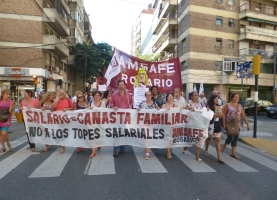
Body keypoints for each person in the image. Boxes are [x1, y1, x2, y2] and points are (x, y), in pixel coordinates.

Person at [221, 93, 250, 159]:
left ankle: (233, 153)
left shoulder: (239, 106)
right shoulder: (227, 105)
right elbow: (224, 115)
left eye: (238, 97)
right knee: (231, 137)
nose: (236, 98)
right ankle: (224, 145)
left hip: (238, 124)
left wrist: (247, 124)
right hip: (229, 124)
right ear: (232, 98)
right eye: (235, 97)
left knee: (236, 138)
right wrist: (224, 124)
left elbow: (243, 115)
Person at [110, 80, 133, 157]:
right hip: (117, 118)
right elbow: (111, 105)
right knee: (117, 133)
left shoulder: (129, 95)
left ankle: (122, 147)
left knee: (123, 133)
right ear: (117, 86)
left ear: (125, 86)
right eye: (119, 85)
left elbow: (132, 103)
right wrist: (114, 107)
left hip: (125, 118)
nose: (121, 86)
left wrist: (131, 106)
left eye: (122, 85)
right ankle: (116, 149)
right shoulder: (114, 95)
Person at [137, 91, 160, 160]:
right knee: (147, 136)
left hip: (153, 123)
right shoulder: (142, 103)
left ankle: (148, 147)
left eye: (150, 95)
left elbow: (157, 109)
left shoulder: (154, 103)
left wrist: (158, 109)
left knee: (151, 136)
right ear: (145, 96)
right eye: (147, 95)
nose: (148, 96)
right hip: (145, 123)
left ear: (151, 96)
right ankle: (147, 152)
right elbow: (138, 110)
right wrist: (138, 109)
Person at [182, 91, 204, 162]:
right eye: (195, 95)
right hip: (191, 124)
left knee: (199, 139)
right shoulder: (189, 104)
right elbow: (184, 110)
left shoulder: (200, 104)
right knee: (190, 138)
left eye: (197, 95)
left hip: (199, 124)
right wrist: (189, 109)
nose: (197, 96)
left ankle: (197, 156)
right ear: (192, 97)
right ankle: (185, 148)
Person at [52, 89, 74, 154]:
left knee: (63, 132)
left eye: (62, 93)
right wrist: (58, 99)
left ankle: (63, 147)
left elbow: (72, 108)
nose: (61, 94)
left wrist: (67, 109)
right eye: (60, 93)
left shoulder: (68, 100)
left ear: (65, 93)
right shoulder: (56, 100)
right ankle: (60, 143)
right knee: (57, 132)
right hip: (57, 119)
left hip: (65, 119)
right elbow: (53, 107)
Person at [204, 95, 225, 164]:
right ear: (212, 99)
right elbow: (210, 115)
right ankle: (206, 149)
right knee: (209, 138)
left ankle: (219, 157)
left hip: (217, 125)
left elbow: (221, 116)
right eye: (215, 99)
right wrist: (216, 114)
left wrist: (220, 113)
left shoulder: (219, 106)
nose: (216, 100)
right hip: (210, 124)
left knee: (217, 140)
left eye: (217, 99)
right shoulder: (208, 106)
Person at [89, 91, 106, 158]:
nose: (97, 97)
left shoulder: (103, 103)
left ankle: (98, 143)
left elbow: (104, 111)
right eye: (95, 95)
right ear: (93, 96)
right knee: (92, 135)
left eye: (98, 95)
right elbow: (87, 111)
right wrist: (88, 108)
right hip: (92, 121)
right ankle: (93, 151)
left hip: (100, 122)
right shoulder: (90, 103)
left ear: (100, 96)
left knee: (99, 134)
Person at [162, 93, 177, 159]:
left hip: (173, 124)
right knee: (167, 137)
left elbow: (179, 113)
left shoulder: (175, 105)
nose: (170, 98)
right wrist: (165, 110)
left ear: (173, 98)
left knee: (171, 138)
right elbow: (161, 113)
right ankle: (168, 152)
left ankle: (169, 147)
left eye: (171, 96)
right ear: (167, 98)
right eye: (169, 96)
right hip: (166, 124)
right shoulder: (164, 105)